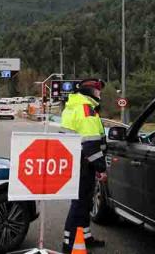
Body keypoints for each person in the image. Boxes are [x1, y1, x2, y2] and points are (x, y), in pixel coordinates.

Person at [60, 79, 107, 253]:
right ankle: (70, 242)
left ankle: (84, 237)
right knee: (80, 203)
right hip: (84, 163)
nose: (100, 93)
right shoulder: (86, 110)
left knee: (85, 202)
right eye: (98, 90)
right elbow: (91, 144)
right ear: (90, 91)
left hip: (76, 160)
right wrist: (101, 168)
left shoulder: (75, 106)